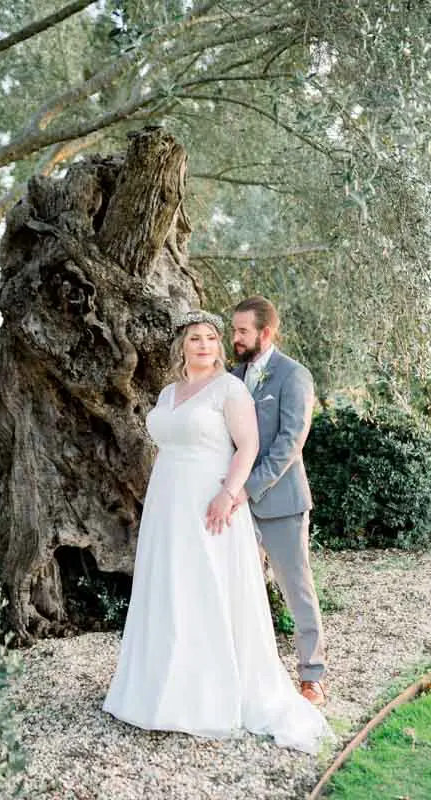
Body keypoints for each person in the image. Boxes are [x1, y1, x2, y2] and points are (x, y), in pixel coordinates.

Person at [103, 310, 331, 753]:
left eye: (212, 337)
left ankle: (303, 678)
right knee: (170, 590)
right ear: (182, 346)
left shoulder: (232, 387)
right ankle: (161, 688)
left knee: (217, 589)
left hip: (215, 502)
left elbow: (253, 445)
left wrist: (230, 493)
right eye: (195, 338)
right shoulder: (170, 391)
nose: (204, 344)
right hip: (169, 504)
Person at [231, 296, 327, 706]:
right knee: (238, 588)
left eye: (242, 331)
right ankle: (244, 672)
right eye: (233, 330)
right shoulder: (234, 376)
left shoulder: (294, 376)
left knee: (296, 589)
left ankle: (312, 677)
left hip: (281, 502)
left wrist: (250, 487)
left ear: (265, 332)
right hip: (236, 506)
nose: (234, 338)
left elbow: (291, 443)